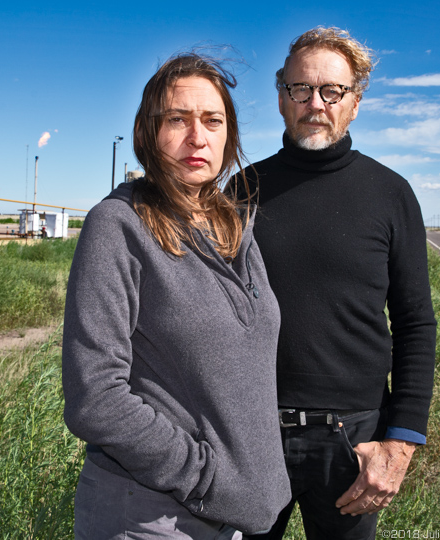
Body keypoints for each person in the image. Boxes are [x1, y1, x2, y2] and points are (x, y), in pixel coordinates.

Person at [62, 53, 291, 539]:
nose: (197, 136)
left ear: (229, 134)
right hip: (151, 515)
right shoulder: (118, 225)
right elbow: (95, 397)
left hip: (229, 518)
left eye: (212, 120)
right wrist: (208, 477)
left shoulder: (233, 223)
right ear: (148, 133)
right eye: (177, 120)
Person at [228, 27, 437, 540]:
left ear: (355, 103)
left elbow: (416, 323)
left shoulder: (391, 194)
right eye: (301, 89)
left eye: (332, 91)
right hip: (249, 433)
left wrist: (400, 444)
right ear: (281, 97)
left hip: (352, 441)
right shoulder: (241, 191)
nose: (315, 103)